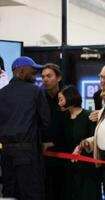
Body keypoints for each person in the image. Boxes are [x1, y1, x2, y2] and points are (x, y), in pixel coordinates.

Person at [0, 56, 51, 200]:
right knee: (32, 194)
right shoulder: (35, 91)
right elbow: (46, 122)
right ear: (21, 71)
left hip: (5, 154)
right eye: (32, 71)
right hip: (28, 153)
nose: (35, 75)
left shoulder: (1, 94)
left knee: (9, 194)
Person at [57, 85, 101, 200]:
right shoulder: (63, 118)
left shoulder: (89, 116)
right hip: (68, 170)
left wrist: (82, 146)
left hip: (87, 170)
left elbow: (94, 140)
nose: (59, 103)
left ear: (70, 98)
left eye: (61, 99)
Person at [41, 63, 65, 200]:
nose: (45, 79)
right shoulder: (38, 97)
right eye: (43, 76)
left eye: (49, 76)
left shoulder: (67, 97)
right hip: (41, 156)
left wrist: (53, 142)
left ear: (59, 78)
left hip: (63, 155)